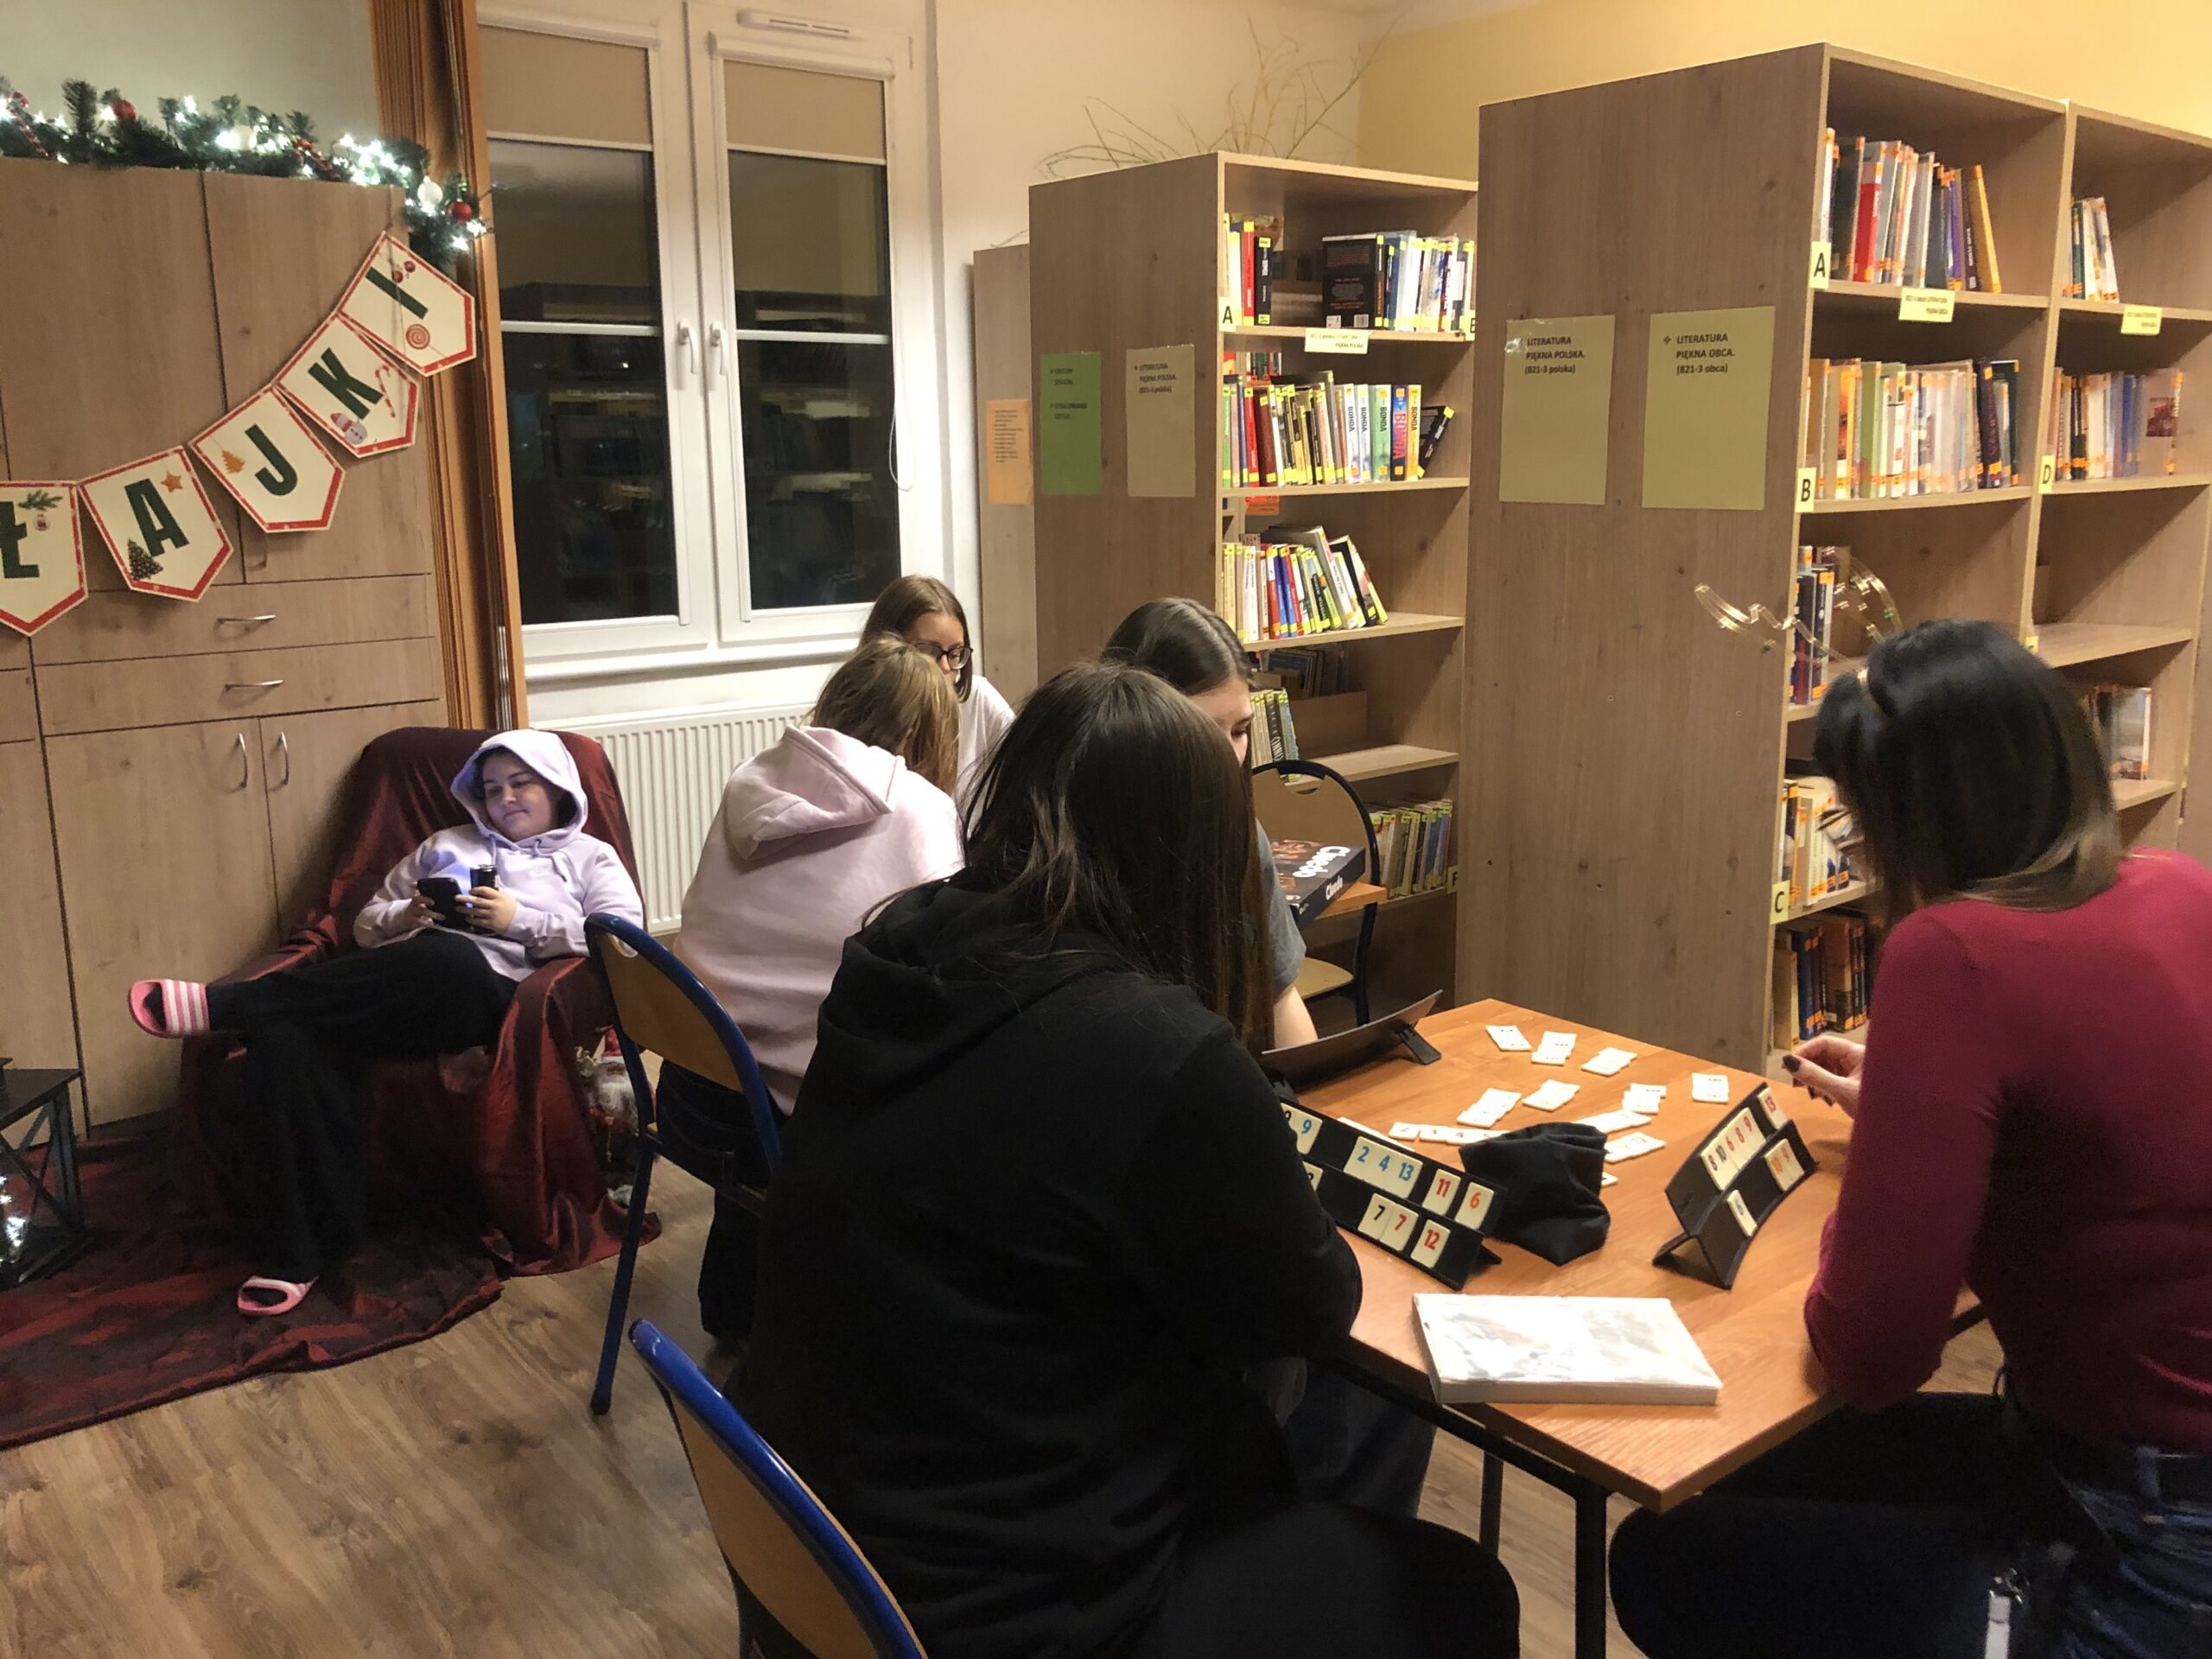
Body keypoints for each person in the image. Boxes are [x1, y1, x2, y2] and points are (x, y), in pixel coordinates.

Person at [732, 662, 1518, 1659]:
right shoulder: (1155, 1049)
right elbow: (1316, 1305)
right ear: (1196, 854)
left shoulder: (897, 953)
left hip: (819, 1553)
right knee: (1459, 1587)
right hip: (1009, 1615)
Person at [1610, 619, 2212, 1659]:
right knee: (1751, 1477)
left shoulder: (1951, 953)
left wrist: (1910, 1130)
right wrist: (1922, 1103)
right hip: (2131, 1457)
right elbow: (2095, 1127)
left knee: (1663, 1559)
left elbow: (1873, 1354)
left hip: (2138, 1525)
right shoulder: (2179, 883)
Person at [129, 731, 643, 1317]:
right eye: (492, 788)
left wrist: (517, 919)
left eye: (520, 784)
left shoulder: (589, 857)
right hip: (395, 991)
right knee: (286, 1039)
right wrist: (407, 914)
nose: (505, 798)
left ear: (556, 788)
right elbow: (366, 924)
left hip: (492, 998)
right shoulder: (446, 843)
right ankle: (300, 1251)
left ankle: (232, 1006)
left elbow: (624, 941)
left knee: (448, 959)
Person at [674, 633, 965, 1343]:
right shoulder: (921, 809)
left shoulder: (750, 783)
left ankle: (740, 1296)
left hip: (693, 1095)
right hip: (802, 1124)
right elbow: (948, 964)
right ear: (919, 736)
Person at [1102, 597, 1320, 1051]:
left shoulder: (1242, 835)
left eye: (1239, 731)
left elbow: (1280, 995)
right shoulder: (1082, 844)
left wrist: (1314, 1090)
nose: (1227, 755)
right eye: (1203, 731)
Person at [863, 573, 1014, 805]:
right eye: (928, 652)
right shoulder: (861, 718)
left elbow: (1028, 772)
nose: (945, 667)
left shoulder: (979, 700)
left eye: (955, 653)